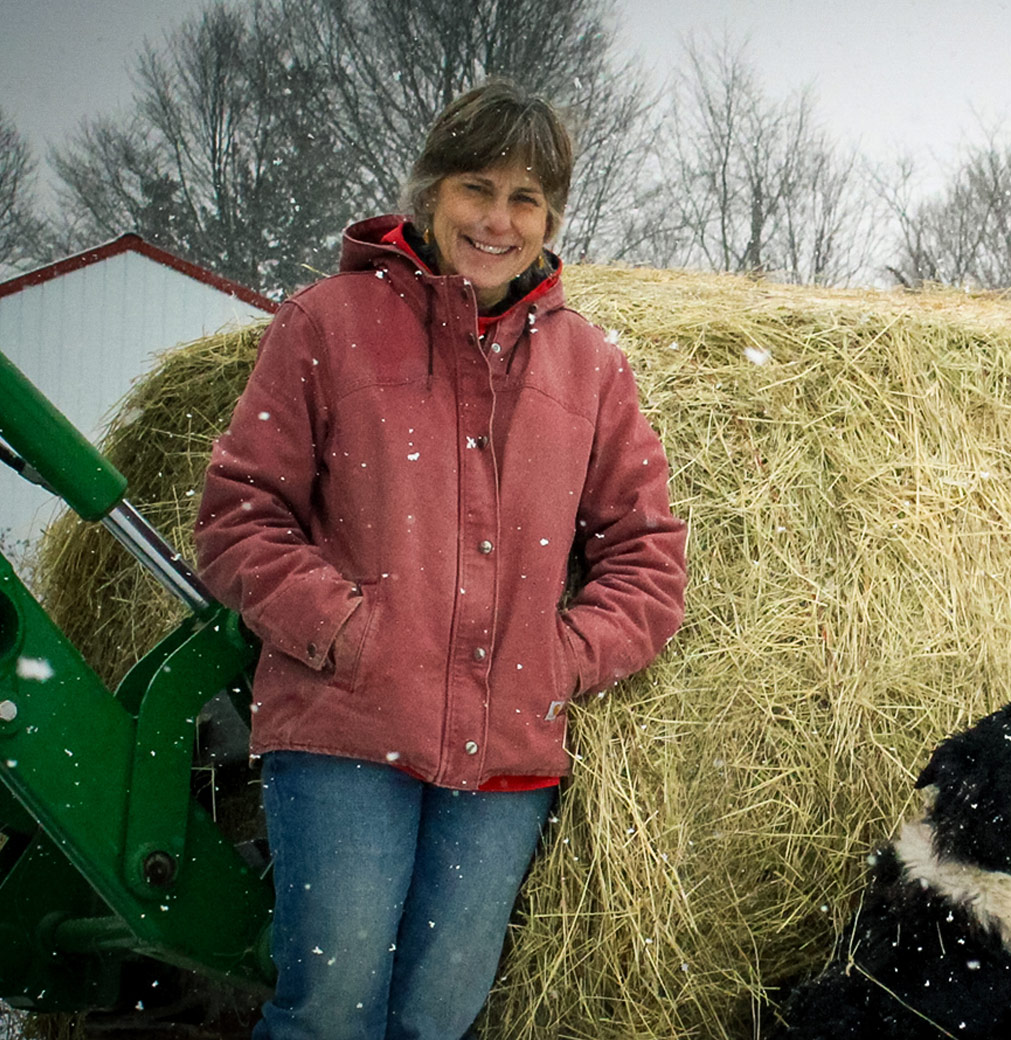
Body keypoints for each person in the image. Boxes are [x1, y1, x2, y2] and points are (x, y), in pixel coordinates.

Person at [194, 81, 688, 1039]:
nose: (497, 221)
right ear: (429, 192)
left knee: (439, 1017)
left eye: (526, 200)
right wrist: (343, 629)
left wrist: (566, 657)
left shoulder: (588, 366)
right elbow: (239, 513)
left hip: (504, 763)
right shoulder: (327, 325)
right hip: (345, 734)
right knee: (330, 1014)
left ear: (551, 220)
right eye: (477, 188)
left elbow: (647, 551)